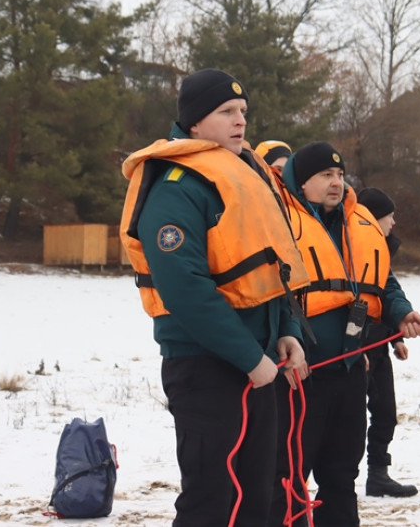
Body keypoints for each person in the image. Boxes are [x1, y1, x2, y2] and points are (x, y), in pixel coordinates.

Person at [120, 68, 311, 527]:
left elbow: (267, 266)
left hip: (260, 358)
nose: (239, 121)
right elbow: (185, 288)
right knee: (211, 501)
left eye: (243, 111)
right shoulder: (175, 186)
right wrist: (249, 357)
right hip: (207, 367)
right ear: (194, 122)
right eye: (226, 112)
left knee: (258, 496)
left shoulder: (243, 172)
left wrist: (285, 330)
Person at [269, 141, 420, 527]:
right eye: (325, 175)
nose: (336, 182)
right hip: (299, 373)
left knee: (342, 474)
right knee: (289, 475)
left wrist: (402, 312)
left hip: (351, 369)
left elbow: (383, 281)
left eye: (340, 175)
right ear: (301, 182)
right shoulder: (279, 222)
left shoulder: (360, 225)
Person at [355, 187, 420, 497]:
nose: (393, 222)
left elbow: (386, 293)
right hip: (355, 351)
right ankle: (338, 480)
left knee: (385, 412)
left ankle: (378, 474)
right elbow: (355, 302)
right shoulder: (352, 248)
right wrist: (354, 350)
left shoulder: (379, 251)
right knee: (350, 421)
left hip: (379, 347)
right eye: (389, 216)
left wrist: (396, 337)